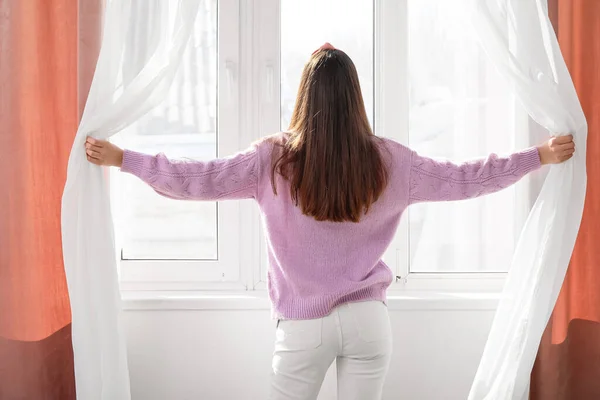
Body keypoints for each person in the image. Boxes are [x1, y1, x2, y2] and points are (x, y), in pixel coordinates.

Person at [84, 43, 575, 400]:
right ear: (355, 100)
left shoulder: (272, 160)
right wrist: (538, 155)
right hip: (368, 323)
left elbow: (198, 179)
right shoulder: (392, 162)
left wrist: (126, 159)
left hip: (302, 326)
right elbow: (468, 179)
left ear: (304, 98)